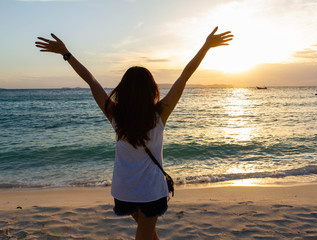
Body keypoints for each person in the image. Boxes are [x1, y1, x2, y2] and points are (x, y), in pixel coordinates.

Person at [35, 27, 233, 240]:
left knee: (147, 232)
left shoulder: (115, 115)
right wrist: (205, 47)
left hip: (123, 191)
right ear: (152, 90)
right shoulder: (160, 114)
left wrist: (67, 54)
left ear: (124, 90)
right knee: (146, 233)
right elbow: (184, 76)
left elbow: (91, 81)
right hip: (152, 192)